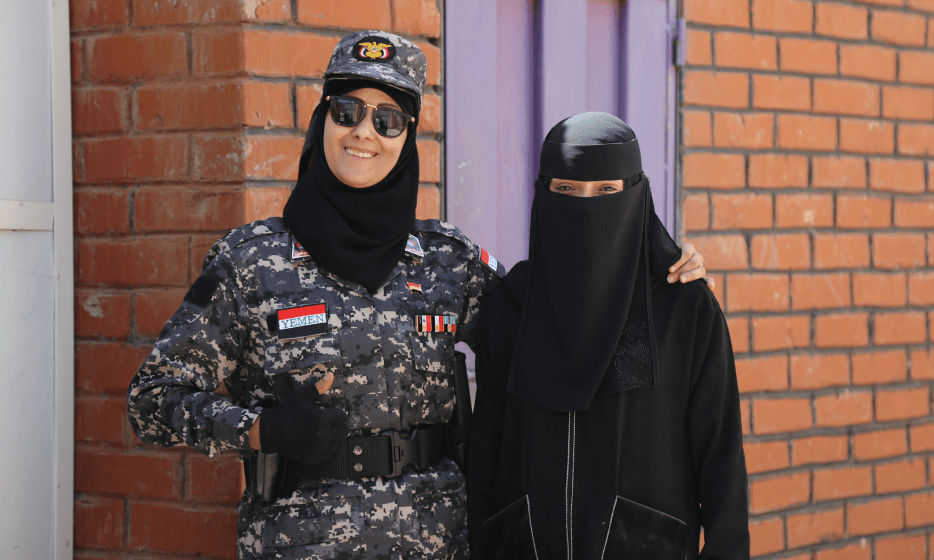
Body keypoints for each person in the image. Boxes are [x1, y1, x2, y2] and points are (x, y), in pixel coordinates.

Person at [126, 32, 712, 559]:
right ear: (322, 120)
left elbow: (560, 312)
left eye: (388, 119)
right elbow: (151, 401)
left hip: (437, 540)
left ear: (407, 137)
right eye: (347, 111)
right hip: (301, 542)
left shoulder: (448, 261)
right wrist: (263, 430)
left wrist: (656, 268)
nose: (364, 132)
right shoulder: (249, 262)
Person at [466, 113, 749, 560]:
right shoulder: (511, 308)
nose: (585, 206)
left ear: (635, 196)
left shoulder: (683, 309)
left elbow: (722, 465)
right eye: (566, 189)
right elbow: (485, 461)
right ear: (543, 195)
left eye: (606, 190)